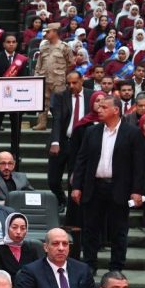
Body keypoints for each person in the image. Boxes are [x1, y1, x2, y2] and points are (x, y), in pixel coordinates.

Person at [72, 95, 145, 273]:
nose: (99, 109)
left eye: (104, 107)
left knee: (118, 231)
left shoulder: (132, 133)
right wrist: (76, 186)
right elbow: (81, 160)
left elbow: (139, 165)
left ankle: (116, 268)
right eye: (99, 106)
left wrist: (137, 190)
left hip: (119, 188)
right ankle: (89, 266)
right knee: (90, 230)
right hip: (94, 186)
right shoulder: (92, 131)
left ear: (116, 110)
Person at [48, 71, 92, 205]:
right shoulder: (60, 96)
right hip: (62, 141)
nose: (71, 86)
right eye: (68, 83)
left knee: (74, 180)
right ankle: (62, 201)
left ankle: (72, 209)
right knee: (53, 180)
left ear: (82, 80)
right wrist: (55, 142)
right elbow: (57, 119)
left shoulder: (91, 96)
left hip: (81, 144)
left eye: (74, 82)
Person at [32, 22, 74, 132]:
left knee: (59, 103)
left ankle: (59, 125)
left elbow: (71, 63)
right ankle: (42, 123)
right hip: (44, 78)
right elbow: (39, 63)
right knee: (43, 102)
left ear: (55, 32)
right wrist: (37, 75)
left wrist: (63, 74)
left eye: (48, 32)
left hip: (58, 80)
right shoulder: (44, 46)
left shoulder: (64, 47)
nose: (45, 34)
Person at [0, 212, 39, 278]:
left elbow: (37, 274)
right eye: (14, 227)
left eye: (23, 228)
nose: (18, 232)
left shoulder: (31, 249)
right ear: (7, 228)